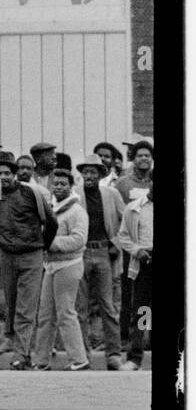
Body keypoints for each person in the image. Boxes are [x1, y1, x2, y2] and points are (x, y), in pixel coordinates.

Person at [0, 152, 52, 370]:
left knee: (26, 307)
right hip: (7, 255)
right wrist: (0, 240)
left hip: (31, 254)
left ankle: (20, 354)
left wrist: (42, 246)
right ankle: (14, 343)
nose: (3, 177)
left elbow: (51, 222)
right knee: (11, 303)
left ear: (15, 174)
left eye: (7, 173)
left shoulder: (31, 193)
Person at [32, 167, 90, 371]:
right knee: (45, 315)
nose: (58, 187)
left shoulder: (77, 211)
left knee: (66, 312)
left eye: (63, 184)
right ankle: (41, 361)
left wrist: (49, 242)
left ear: (71, 186)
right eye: (55, 183)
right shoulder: (50, 208)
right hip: (51, 265)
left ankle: (78, 359)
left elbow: (79, 240)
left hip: (69, 264)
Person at [74, 156, 126, 370]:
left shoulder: (111, 194)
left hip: (105, 251)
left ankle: (113, 355)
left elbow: (128, 221)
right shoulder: (75, 194)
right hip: (81, 252)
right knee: (81, 307)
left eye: (93, 172)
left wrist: (116, 243)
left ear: (101, 175)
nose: (89, 176)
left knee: (108, 305)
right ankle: (83, 354)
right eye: (86, 172)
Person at [114, 186, 153, 371]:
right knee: (142, 309)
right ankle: (135, 356)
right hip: (145, 261)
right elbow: (123, 235)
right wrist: (138, 251)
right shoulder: (134, 208)